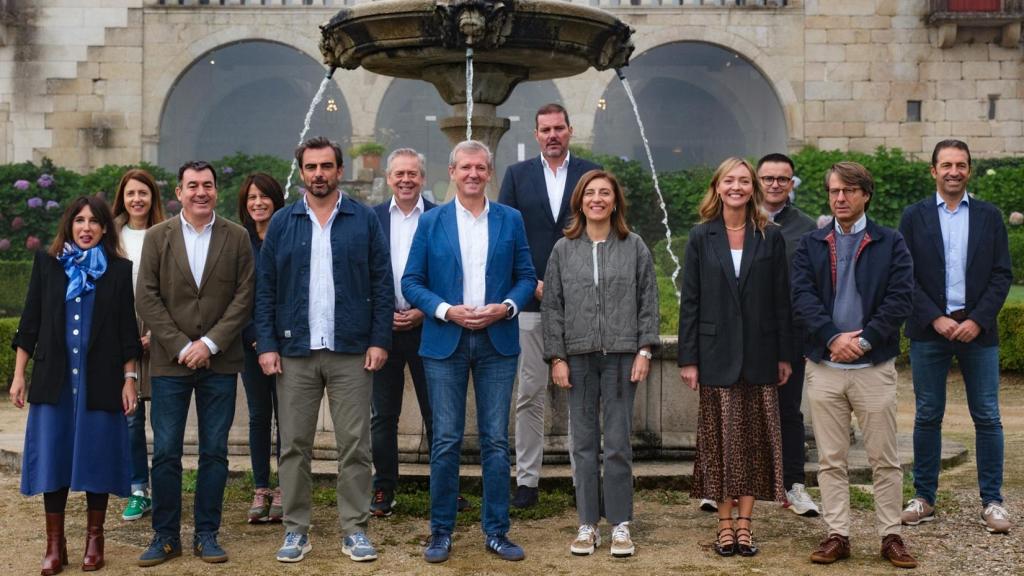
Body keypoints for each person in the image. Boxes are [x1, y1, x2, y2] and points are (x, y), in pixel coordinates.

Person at [255, 137, 392, 564]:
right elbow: (266, 288)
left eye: (326, 166)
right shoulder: (283, 222)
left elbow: (381, 282)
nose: (319, 174)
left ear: (339, 170)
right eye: (311, 167)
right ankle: (296, 529)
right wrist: (267, 344)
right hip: (295, 350)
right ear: (301, 172)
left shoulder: (363, 219)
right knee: (294, 445)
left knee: (355, 445)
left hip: (350, 349)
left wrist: (379, 340)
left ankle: (354, 529)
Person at [402, 140, 536, 564]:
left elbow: (526, 276)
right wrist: (446, 310)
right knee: (445, 440)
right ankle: (441, 531)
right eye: (465, 167)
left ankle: (496, 530)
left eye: (480, 167)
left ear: (489, 172)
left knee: (496, 441)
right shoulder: (432, 221)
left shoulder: (510, 219)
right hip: (446, 340)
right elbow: (411, 281)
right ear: (452, 172)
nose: (473, 174)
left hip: (498, 341)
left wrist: (506, 307)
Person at [791, 161, 917, 568]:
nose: (840, 198)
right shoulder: (811, 243)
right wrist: (832, 337)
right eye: (834, 191)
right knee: (831, 459)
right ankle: (837, 534)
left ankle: (891, 536)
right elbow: (802, 297)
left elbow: (900, 298)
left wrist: (863, 341)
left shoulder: (890, 242)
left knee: (884, 458)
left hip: (873, 367)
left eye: (848, 190)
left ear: (866, 194)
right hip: (825, 367)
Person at [10, 195, 141, 574]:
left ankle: (94, 540)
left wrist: (129, 379)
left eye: (94, 221)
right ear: (69, 225)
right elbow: (30, 322)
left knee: (97, 455)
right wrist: (19, 375)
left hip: (100, 381)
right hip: (54, 380)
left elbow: (126, 331)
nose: (86, 227)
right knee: (54, 457)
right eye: (79, 220)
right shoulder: (48, 265)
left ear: (104, 228)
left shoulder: (118, 271)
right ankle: (55, 545)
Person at [135, 160, 255, 567]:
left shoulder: (236, 237)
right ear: (179, 192)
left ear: (216, 190)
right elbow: (146, 296)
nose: (200, 192)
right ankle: (165, 536)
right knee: (166, 452)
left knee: (215, 452)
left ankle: (207, 534)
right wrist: (181, 345)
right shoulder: (158, 236)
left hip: (219, 362)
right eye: (192, 186)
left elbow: (244, 296)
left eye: (207, 185)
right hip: (170, 363)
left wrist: (210, 343)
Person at [677, 157, 791, 558]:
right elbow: (690, 301)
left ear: (753, 188)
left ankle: (746, 523)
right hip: (715, 355)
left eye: (744, 181)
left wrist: (784, 355)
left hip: (761, 354)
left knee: (754, 443)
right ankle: (723, 523)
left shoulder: (770, 236)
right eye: (730, 180)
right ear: (718, 186)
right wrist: (688, 359)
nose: (737, 187)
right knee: (720, 444)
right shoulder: (700, 235)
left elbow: (782, 300)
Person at [542, 169, 659, 558]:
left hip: (622, 355)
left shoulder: (634, 245)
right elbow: (552, 307)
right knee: (584, 444)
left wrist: (645, 350)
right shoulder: (563, 250)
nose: (597, 199)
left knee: (619, 443)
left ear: (615, 201)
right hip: (577, 357)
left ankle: (621, 524)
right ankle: (588, 524)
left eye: (604, 193)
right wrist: (557, 357)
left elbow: (649, 299)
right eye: (590, 193)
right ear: (580, 201)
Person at [899, 140, 1013, 534]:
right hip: (930, 331)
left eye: (960, 165)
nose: (954, 171)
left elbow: (1001, 274)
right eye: (946, 165)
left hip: (977, 331)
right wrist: (934, 317)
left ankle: (993, 502)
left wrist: (978, 320)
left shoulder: (988, 216)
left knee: (988, 416)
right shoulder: (914, 216)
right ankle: (924, 497)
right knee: (928, 415)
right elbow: (905, 274)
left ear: (969, 170)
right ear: (933, 171)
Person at [498, 103, 601, 509]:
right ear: (536, 134)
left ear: (570, 131)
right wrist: (530, 282)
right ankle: (527, 481)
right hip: (531, 302)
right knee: (529, 393)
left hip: (581, 304)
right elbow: (506, 235)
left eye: (559, 128)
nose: (553, 135)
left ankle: (583, 481)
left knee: (582, 398)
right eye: (545, 129)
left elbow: (601, 233)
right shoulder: (517, 175)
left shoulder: (590, 174)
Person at [369, 149, 438, 518]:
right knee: (383, 415)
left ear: (422, 178)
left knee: (437, 413)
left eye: (413, 173)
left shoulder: (440, 217)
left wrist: (424, 310)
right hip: (384, 331)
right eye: (399, 174)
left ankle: (443, 488)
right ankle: (383, 488)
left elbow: (450, 272)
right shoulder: (372, 218)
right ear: (389, 178)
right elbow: (362, 272)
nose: (406, 180)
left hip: (430, 327)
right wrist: (381, 316)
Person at [756, 153, 820, 518]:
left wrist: (811, 335)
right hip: (745, 335)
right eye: (768, 178)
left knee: (789, 412)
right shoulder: (738, 220)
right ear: (758, 181)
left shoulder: (807, 228)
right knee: (739, 409)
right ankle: (736, 485)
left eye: (783, 179)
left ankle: (793, 483)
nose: (775, 184)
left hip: (790, 335)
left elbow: (813, 284)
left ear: (792, 184)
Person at [111, 169, 166, 523]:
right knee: (130, 417)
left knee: (163, 419)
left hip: (159, 328)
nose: (137, 199)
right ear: (123, 197)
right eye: (131, 193)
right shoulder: (111, 235)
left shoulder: (166, 232)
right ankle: (137, 489)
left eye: (143, 193)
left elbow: (176, 287)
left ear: (152, 197)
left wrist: (158, 333)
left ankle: (164, 488)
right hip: (121, 326)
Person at [236, 172, 286, 524]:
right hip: (250, 342)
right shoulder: (239, 242)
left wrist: (277, 340)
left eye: (264, 196)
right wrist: (256, 338)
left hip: (286, 343)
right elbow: (235, 297)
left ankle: (285, 486)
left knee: (287, 418)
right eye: (251, 197)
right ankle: (261, 487)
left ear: (275, 200)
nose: (258, 203)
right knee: (258, 416)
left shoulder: (287, 237)